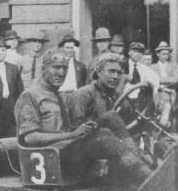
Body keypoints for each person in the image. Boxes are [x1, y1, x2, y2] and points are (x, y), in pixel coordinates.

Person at [14, 49, 151, 182]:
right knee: (105, 139)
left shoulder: (56, 94)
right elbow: (30, 138)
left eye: (65, 68)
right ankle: (147, 178)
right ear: (44, 68)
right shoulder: (30, 95)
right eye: (55, 68)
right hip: (53, 157)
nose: (61, 73)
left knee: (111, 116)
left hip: (66, 150)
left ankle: (140, 163)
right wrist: (73, 134)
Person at [151, 41, 178, 128]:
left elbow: (175, 80)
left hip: (168, 94)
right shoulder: (153, 67)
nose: (165, 56)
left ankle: (166, 130)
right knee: (155, 117)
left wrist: (159, 79)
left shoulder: (173, 65)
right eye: (163, 54)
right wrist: (166, 81)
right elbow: (152, 81)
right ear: (158, 54)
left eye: (167, 54)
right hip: (156, 95)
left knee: (165, 119)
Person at [57, 33, 88, 108]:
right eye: (67, 48)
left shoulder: (80, 66)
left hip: (75, 95)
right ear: (63, 48)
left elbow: (84, 82)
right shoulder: (57, 65)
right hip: (61, 94)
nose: (69, 50)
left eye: (71, 48)